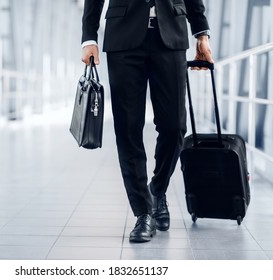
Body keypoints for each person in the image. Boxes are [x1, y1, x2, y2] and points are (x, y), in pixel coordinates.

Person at [81, 0, 213, 243]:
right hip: (123, 37)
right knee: (128, 128)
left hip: (171, 34)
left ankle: (157, 189)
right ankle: (143, 213)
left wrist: (201, 32)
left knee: (175, 127)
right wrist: (89, 38)